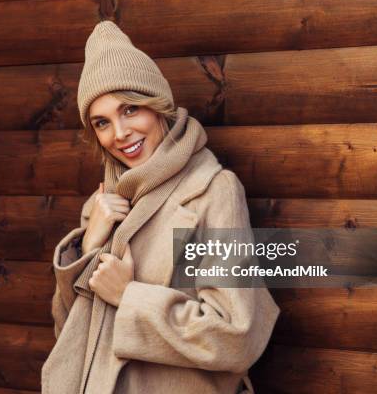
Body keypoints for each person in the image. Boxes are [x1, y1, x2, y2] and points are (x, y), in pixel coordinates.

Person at [41, 20, 280, 394]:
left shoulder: (213, 192)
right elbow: (69, 334)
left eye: (131, 110)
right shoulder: (103, 205)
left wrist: (129, 296)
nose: (119, 134)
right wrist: (87, 248)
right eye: (102, 122)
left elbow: (236, 335)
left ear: (158, 107)